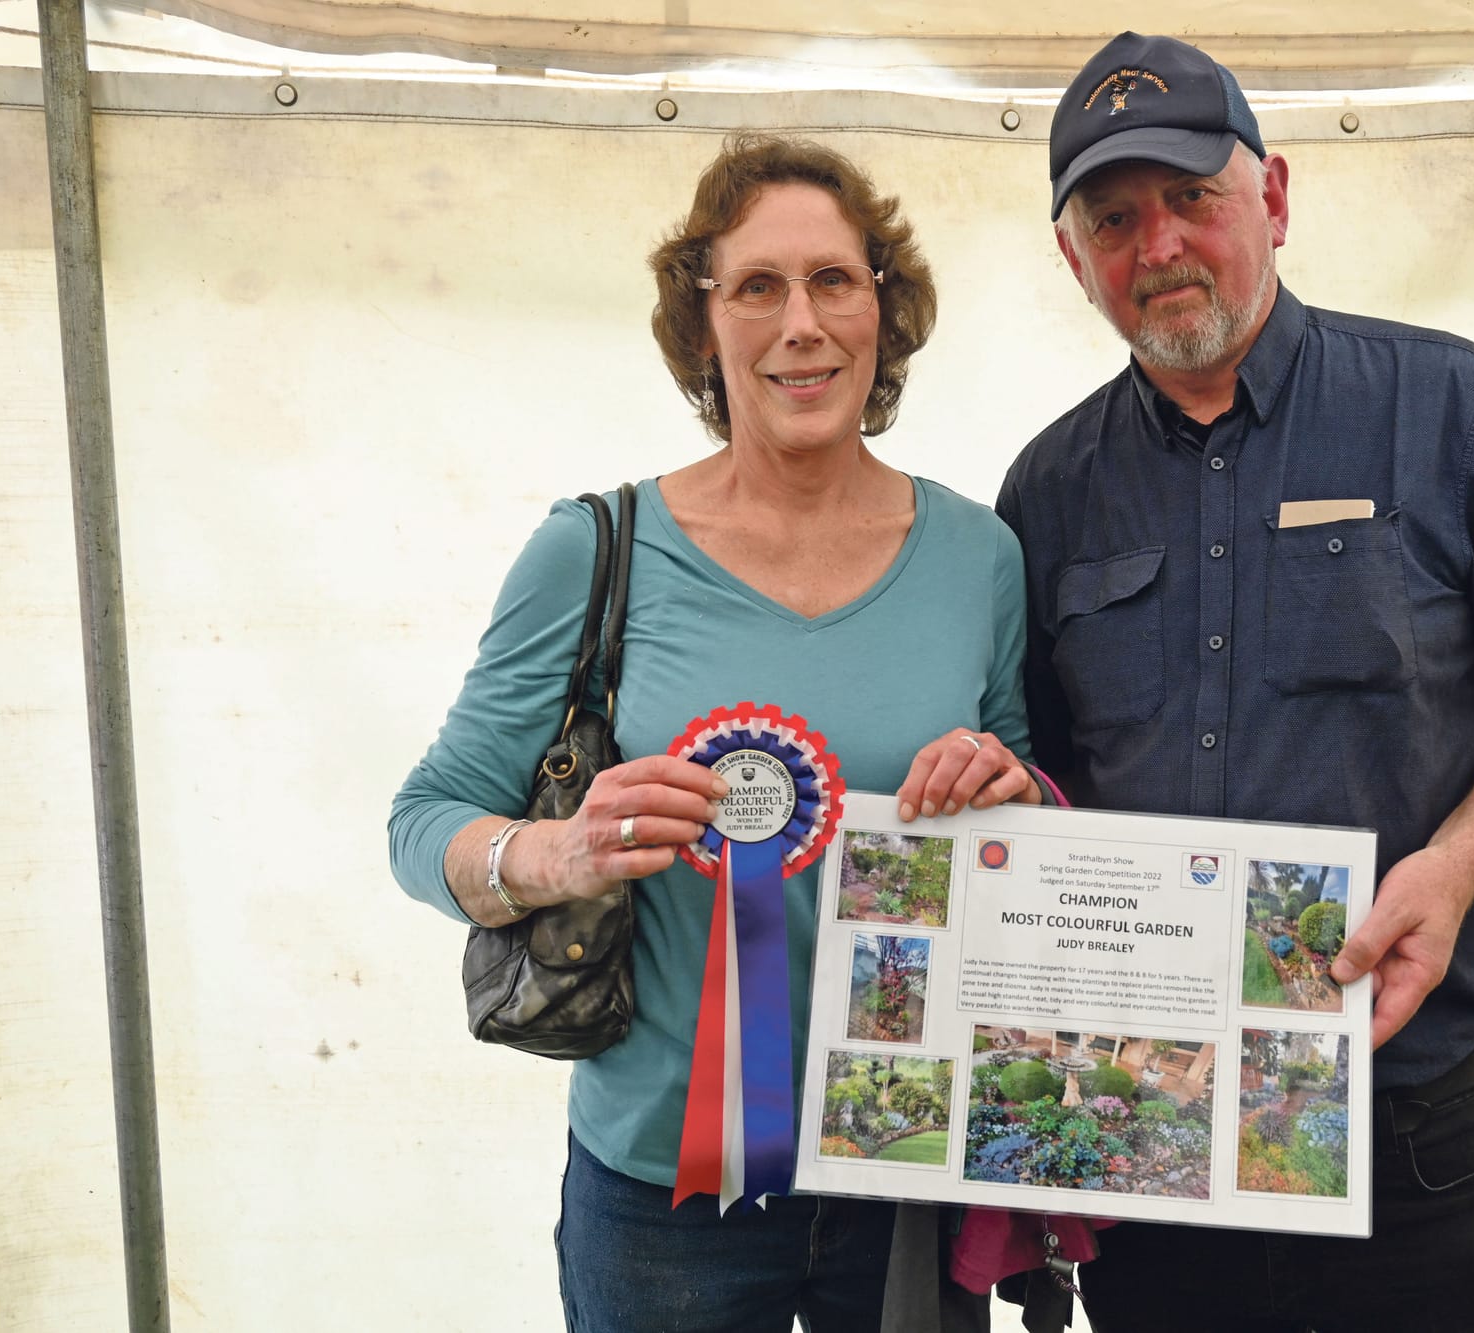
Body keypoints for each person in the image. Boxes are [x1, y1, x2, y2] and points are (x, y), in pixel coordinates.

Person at [995, 32, 1474, 1333]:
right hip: (1166, 1142)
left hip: (1425, 1136)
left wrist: (1456, 862)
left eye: (1195, 198)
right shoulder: (1050, 488)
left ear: (1278, 200)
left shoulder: (1449, 405)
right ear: (1073, 259)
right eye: (1114, 220)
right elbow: (1054, 781)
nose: (1161, 248)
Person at [389, 132, 1043, 1333]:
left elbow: (1020, 804)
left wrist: (1011, 785)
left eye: (834, 281)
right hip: (658, 1197)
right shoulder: (593, 550)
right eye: (755, 287)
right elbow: (422, 818)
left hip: (902, 1171)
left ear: (882, 313)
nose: (800, 323)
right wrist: (552, 855)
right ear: (702, 329)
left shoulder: (979, 558)